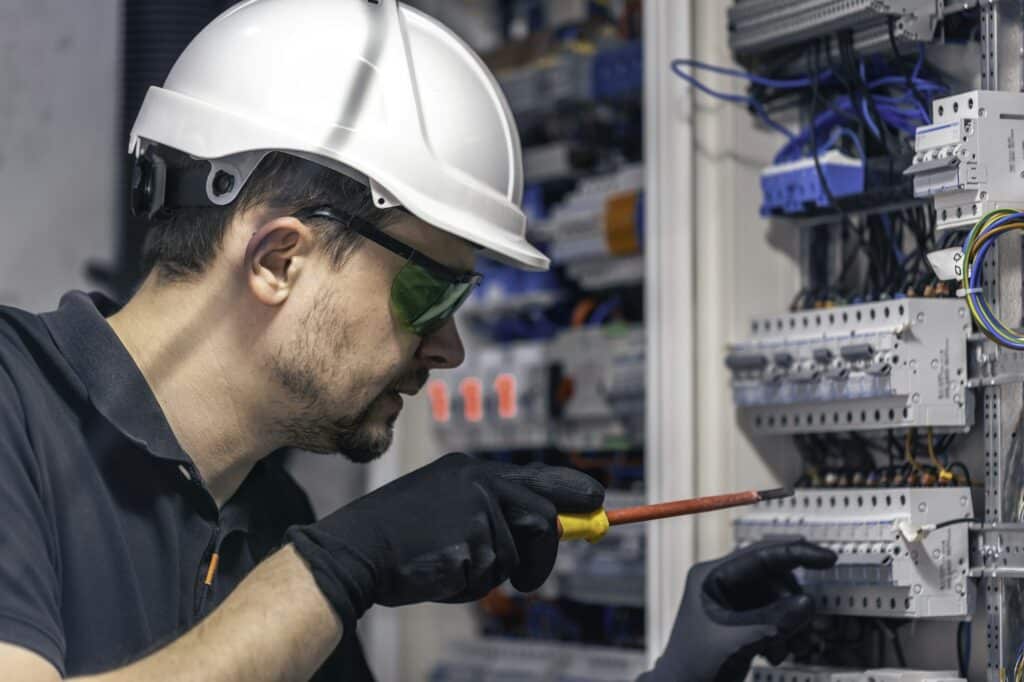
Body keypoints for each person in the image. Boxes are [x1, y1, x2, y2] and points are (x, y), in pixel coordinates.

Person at [0, 1, 836, 680]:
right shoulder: (14, 410)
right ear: (278, 257)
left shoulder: (267, 515)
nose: (449, 351)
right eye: (430, 288)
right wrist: (337, 566)